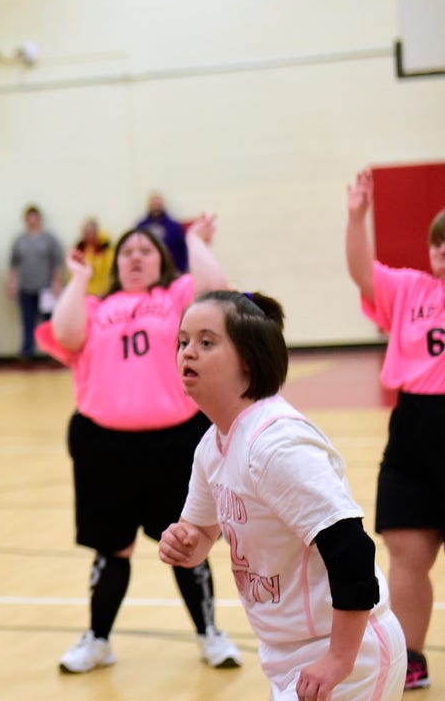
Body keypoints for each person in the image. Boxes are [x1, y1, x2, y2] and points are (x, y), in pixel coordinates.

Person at [160, 291, 408, 699]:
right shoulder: (213, 445)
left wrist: (339, 659)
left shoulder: (276, 445)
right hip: (288, 654)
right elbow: (201, 532)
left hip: (347, 652)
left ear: (249, 360)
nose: (188, 352)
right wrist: (186, 543)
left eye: (207, 342)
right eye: (183, 341)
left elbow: (352, 551)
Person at [36, 220, 243, 673]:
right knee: (113, 549)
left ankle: (211, 634)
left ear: (161, 261)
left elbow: (216, 291)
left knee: (187, 541)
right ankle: (98, 640)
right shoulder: (94, 305)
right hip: (104, 445)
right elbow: (66, 335)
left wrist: (194, 241)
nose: (134, 256)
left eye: (145, 250)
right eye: (127, 250)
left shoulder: (175, 299)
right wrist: (80, 277)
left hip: (174, 442)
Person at [345, 169, 445, 690]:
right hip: (413, 427)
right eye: (438, 246)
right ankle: (410, 656)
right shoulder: (410, 289)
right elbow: (364, 273)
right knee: (408, 550)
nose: (442, 253)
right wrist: (357, 217)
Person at [7, 204, 63, 363]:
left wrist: (56, 283)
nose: (32, 220)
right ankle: (27, 353)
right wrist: (12, 284)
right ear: (25, 219)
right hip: (26, 288)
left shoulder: (49, 239)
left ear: (39, 219)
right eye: (29, 217)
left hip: (46, 289)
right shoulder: (20, 240)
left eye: (35, 217)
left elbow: (57, 263)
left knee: (48, 323)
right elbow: (13, 265)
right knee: (28, 322)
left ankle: (53, 353)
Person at [136, 190, 188, 272]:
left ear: (162, 205)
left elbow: (181, 249)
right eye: (154, 204)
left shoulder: (174, 226)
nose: (156, 206)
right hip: (147, 271)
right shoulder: (141, 226)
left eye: (158, 204)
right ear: (149, 205)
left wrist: (181, 269)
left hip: (170, 271)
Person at [75, 217, 114, 296]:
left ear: (96, 232)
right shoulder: (80, 248)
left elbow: (110, 270)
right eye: (86, 233)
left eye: (90, 232)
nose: (88, 236)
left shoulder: (105, 248)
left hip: (102, 291)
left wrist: (107, 289)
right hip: (84, 292)